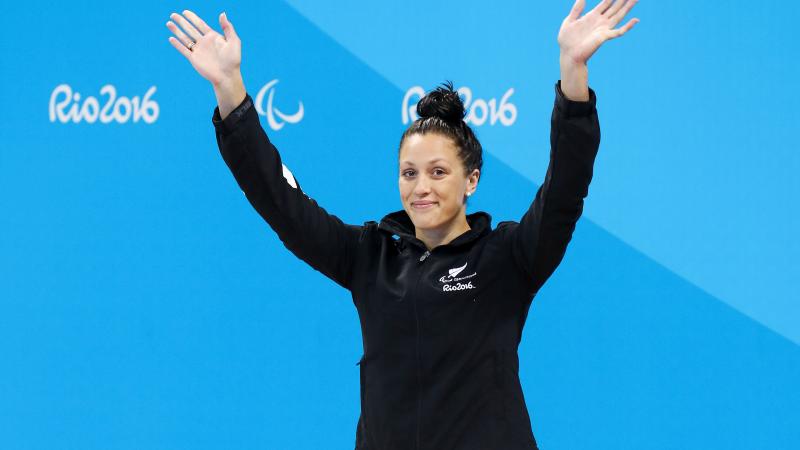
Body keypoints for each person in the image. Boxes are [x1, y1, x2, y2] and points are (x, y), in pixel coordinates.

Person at [165, 1, 639, 448]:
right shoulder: (367, 255)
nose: (421, 188)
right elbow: (281, 204)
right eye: (409, 174)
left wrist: (572, 74)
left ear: (471, 179)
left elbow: (564, 191)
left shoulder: (508, 256)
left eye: (438, 172)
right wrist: (230, 90)